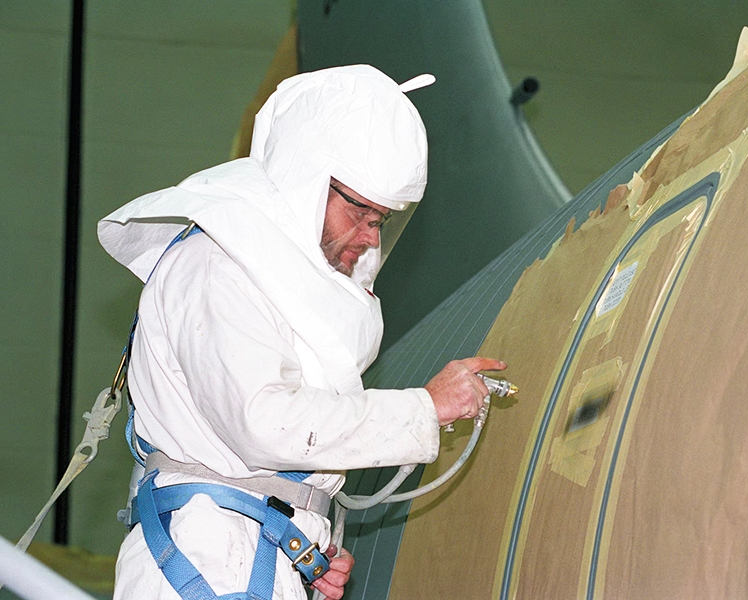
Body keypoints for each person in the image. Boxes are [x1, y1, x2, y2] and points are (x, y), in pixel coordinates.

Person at [98, 65, 506, 600]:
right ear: (303, 178)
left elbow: (258, 457)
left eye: (381, 220)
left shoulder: (263, 276)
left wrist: (303, 537)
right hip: (212, 565)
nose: (368, 238)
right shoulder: (217, 265)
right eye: (358, 211)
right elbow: (263, 421)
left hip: (239, 558)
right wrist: (423, 408)